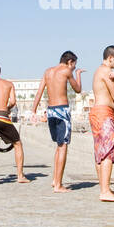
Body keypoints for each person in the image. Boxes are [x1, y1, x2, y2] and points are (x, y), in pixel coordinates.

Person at [32, 51, 83, 193]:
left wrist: (33, 110)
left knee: (58, 146)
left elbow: (39, 91)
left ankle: (55, 179)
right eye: (74, 65)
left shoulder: (47, 71)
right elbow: (78, 89)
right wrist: (77, 74)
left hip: (51, 111)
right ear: (70, 62)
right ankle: (58, 185)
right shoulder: (66, 70)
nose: (73, 68)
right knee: (63, 146)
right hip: (62, 110)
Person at [90, 46, 114, 201]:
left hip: (98, 112)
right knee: (108, 150)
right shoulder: (104, 71)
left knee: (100, 151)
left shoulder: (101, 71)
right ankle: (105, 191)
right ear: (110, 58)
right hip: (104, 112)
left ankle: (104, 188)